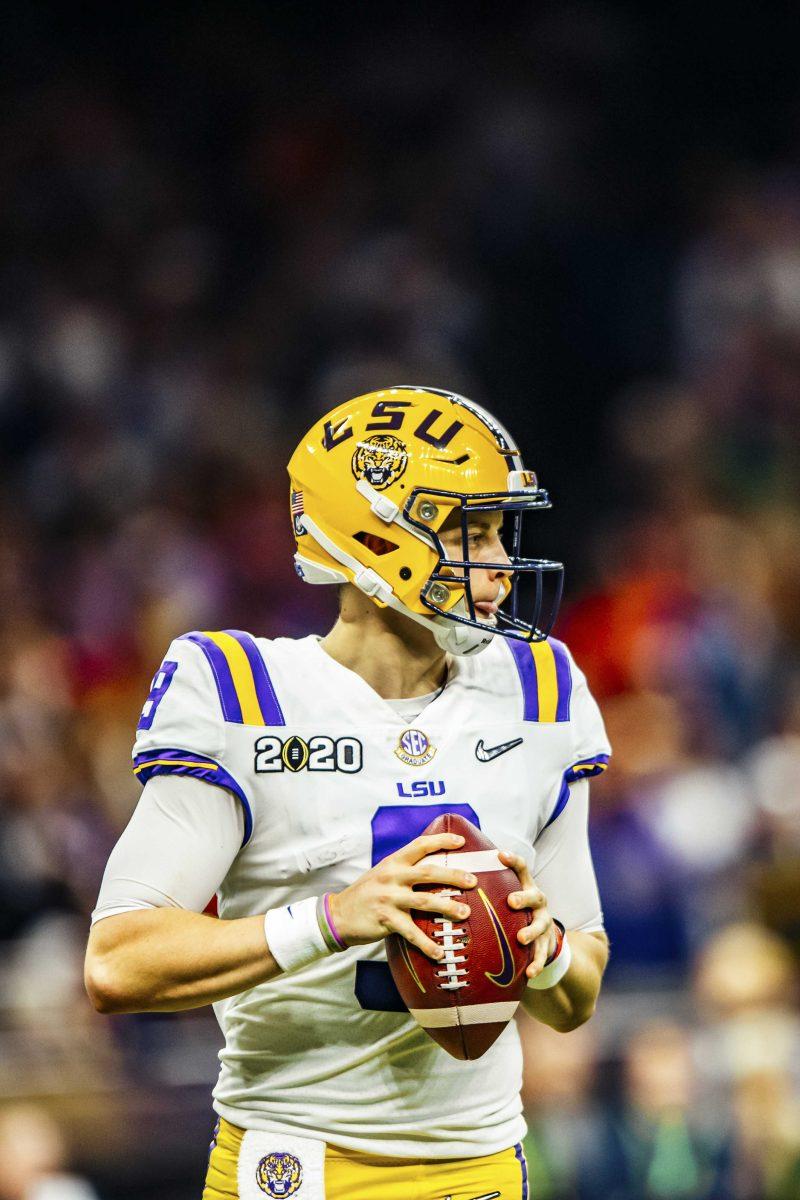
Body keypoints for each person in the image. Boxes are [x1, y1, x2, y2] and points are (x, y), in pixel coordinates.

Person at [85, 386, 611, 1200]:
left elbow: (580, 991)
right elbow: (118, 963)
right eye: (469, 532)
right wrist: (329, 920)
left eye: (500, 532)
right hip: (297, 1167)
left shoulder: (541, 687)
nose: (500, 566)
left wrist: (543, 954)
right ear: (374, 537)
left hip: (483, 1170)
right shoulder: (241, 691)